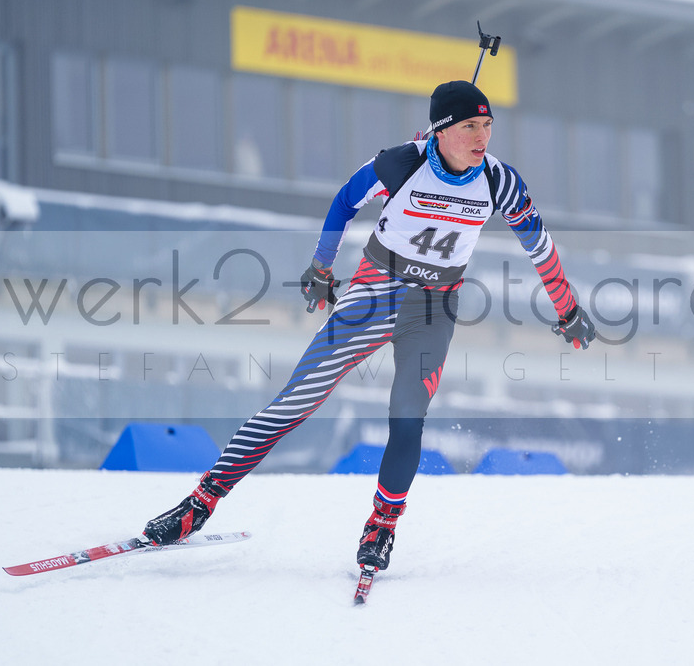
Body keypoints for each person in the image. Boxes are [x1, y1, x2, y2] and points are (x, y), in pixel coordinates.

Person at [141, 80, 596, 573]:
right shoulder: (401, 163)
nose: (482, 136)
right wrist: (321, 269)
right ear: (442, 131)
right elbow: (344, 202)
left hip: (432, 308)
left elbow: (540, 245)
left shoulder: (499, 180)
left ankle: (382, 527)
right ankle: (200, 504)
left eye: (487, 125)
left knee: (407, 420)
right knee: (294, 403)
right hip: (374, 294)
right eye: (469, 126)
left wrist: (567, 309)